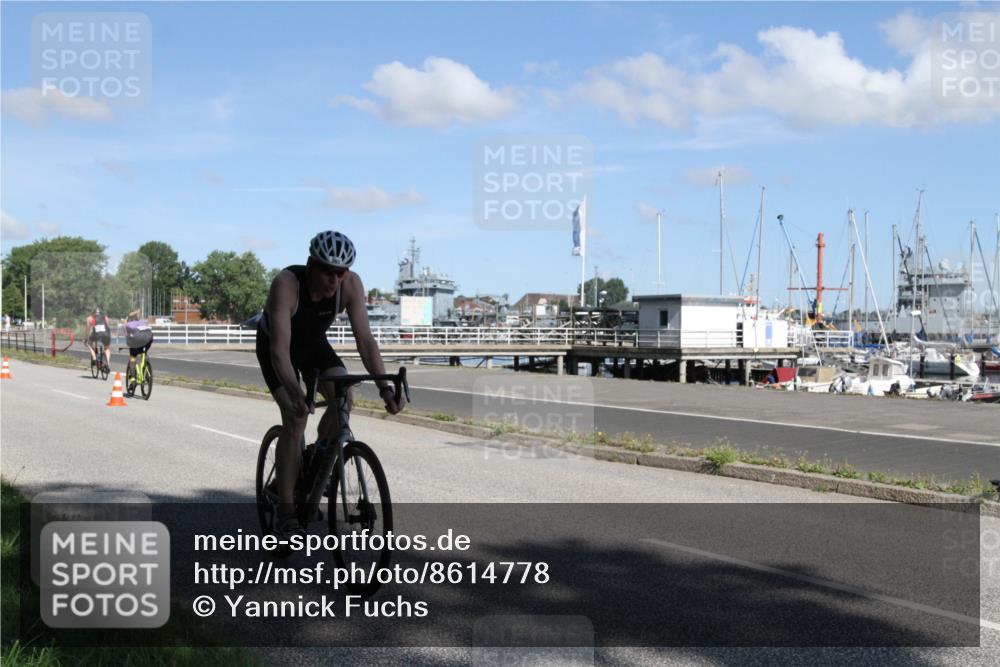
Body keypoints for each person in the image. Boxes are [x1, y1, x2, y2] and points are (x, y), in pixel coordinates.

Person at [256, 231, 406, 538]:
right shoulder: (286, 284)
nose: (334, 279)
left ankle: (315, 455)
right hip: (277, 346)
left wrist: (385, 389)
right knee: (296, 416)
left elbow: (365, 341)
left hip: (312, 345)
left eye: (341, 272)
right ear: (311, 264)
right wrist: (297, 395)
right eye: (327, 271)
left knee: (344, 398)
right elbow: (279, 352)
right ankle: (285, 511)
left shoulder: (350, 285)